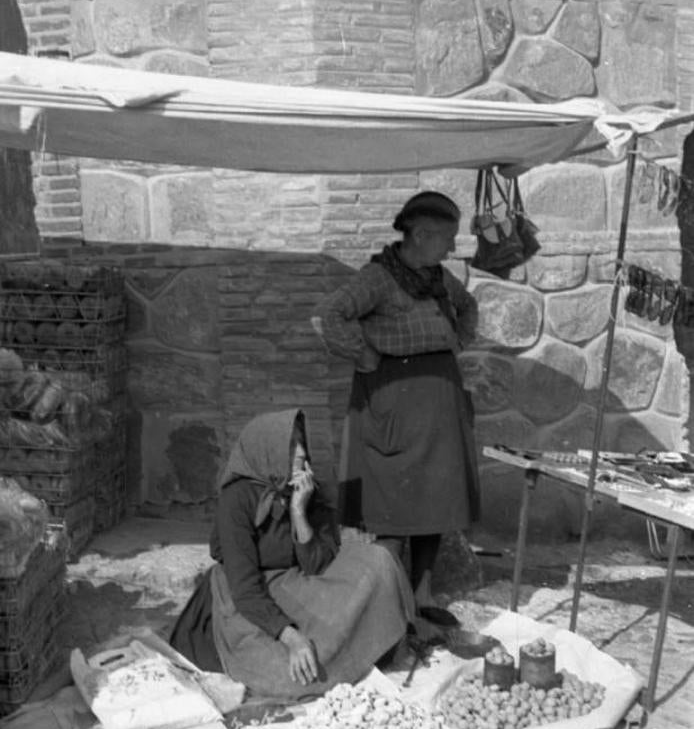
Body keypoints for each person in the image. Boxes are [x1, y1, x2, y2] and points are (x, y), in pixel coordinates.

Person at [169, 408, 414, 700]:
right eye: (289, 452)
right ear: (267, 453)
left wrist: (299, 511)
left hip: (295, 581)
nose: (301, 458)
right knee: (287, 673)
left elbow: (316, 564)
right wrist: (292, 638)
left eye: (301, 449)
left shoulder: (303, 489)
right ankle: (341, 656)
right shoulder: (237, 499)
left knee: (379, 561)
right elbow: (245, 589)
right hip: (247, 597)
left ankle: (368, 643)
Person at [314, 190, 480, 616]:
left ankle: (421, 597)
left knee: (436, 503)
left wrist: (458, 342)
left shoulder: (439, 277)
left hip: (439, 400)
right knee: (391, 507)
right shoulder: (378, 278)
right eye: (447, 237)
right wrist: (363, 354)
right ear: (420, 235)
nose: (453, 247)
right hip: (393, 401)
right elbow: (331, 315)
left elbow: (468, 307)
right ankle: (388, 606)